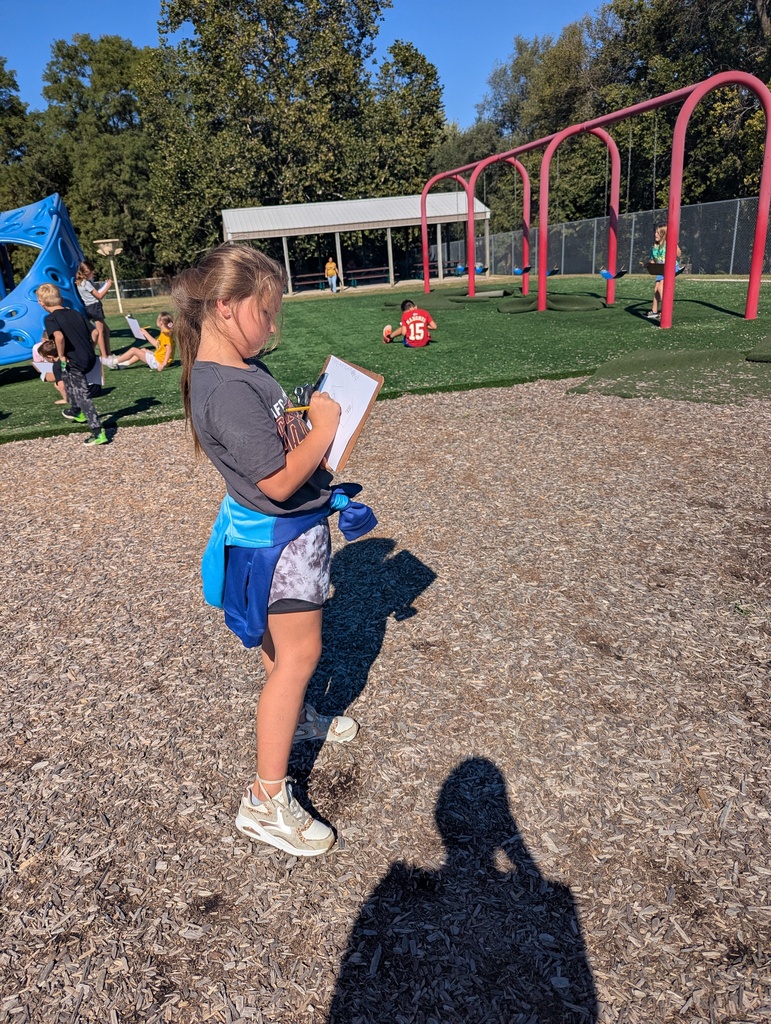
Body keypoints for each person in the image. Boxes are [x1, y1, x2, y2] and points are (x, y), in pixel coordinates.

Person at [173, 243, 377, 858]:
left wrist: (305, 421)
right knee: (299, 655)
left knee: (281, 649)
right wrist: (323, 428)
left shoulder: (240, 369)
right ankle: (265, 800)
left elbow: (273, 450)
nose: (274, 325)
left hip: (281, 534)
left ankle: (300, 719)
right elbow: (281, 482)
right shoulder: (228, 390)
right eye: (267, 312)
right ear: (227, 307)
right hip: (277, 542)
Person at [36, 283, 109, 445]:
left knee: (82, 395)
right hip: (89, 357)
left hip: (74, 361)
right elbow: (95, 332)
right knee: (64, 374)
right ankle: (76, 411)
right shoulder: (74, 313)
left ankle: (98, 432)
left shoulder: (51, 318)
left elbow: (59, 337)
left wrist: (61, 355)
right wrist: (90, 348)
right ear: (60, 298)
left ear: (41, 303)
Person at [105, 313, 175, 371]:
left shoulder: (166, 335)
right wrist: (145, 333)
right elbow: (157, 344)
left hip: (158, 362)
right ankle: (125, 364)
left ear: (161, 322)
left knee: (134, 350)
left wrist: (163, 364)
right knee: (142, 350)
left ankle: (114, 362)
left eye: (157, 319)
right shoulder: (165, 333)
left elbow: (169, 349)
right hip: (158, 359)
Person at [75, 260, 113, 356]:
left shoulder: (80, 282)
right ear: (87, 272)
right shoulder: (86, 283)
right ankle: (104, 355)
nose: (93, 273)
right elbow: (99, 295)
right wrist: (108, 286)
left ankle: (108, 352)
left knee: (106, 330)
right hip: (94, 307)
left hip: (90, 307)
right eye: (92, 272)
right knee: (100, 332)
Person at [647, 225, 681, 320]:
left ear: (663, 234)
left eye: (658, 233)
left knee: (661, 287)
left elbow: (678, 254)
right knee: (656, 289)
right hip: (660, 270)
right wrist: (649, 265)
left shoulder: (668, 244)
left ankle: (666, 310)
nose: (655, 234)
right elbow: (653, 260)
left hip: (671, 268)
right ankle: (654, 311)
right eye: (655, 232)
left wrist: (674, 243)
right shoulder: (654, 247)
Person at [31, 334, 67, 403]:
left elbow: (61, 385)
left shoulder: (56, 367)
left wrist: (66, 399)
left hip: (56, 370)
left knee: (58, 383)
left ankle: (67, 398)